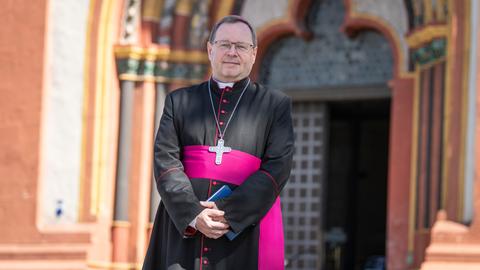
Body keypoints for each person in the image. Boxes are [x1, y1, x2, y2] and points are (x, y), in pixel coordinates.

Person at [143, 15, 294, 270]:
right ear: (210, 49)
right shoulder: (178, 101)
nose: (232, 52)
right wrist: (193, 214)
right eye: (225, 44)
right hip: (183, 227)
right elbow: (165, 163)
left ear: (254, 53)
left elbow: (277, 169)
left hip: (244, 231)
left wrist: (227, 214)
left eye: (241, 46)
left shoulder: (275, 106)